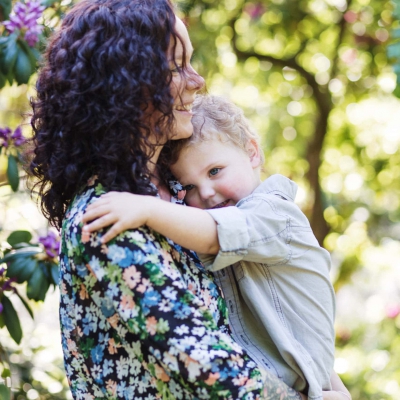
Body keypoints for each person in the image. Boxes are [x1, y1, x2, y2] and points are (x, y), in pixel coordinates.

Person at [28, 0, 322, 398]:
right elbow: (214, 375)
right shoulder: (104, 218)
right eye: (176, 67)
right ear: (126, 86)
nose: (197, 81)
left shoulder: (180, 194)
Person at [82, 95, 351, 400]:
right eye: (190, 187)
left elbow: (214, 235)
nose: (207, 193)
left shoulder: (275, 214)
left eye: (214, 171)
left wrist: (145, 209)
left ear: (252, 152)